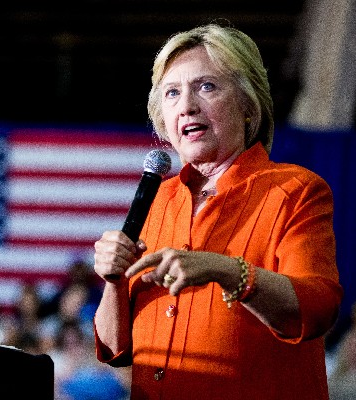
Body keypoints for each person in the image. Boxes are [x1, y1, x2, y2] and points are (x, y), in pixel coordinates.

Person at [92, 23, 343, 399]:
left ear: (247, 104)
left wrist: (226, 271)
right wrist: (113, 281)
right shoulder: (157, 199)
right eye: (172, 93)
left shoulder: (295, 190)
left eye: (206, 87)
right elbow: (116, 350)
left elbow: (317, 308)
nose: (187, 105)